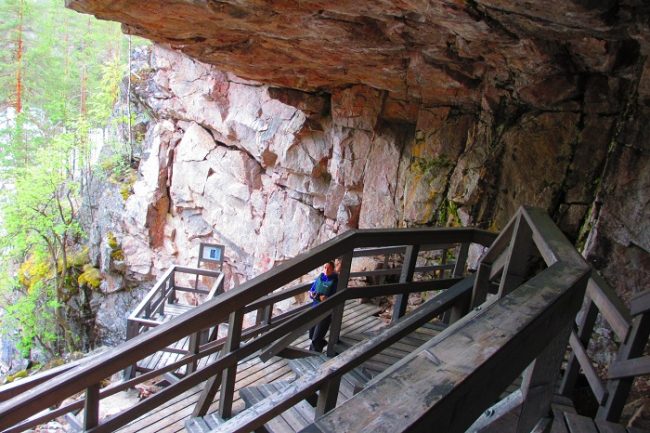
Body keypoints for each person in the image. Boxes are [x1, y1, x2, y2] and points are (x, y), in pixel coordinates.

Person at [308, 261, 339, 352]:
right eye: (325, 267)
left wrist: (325, 298)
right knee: (312, 333)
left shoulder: (335, 281)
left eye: (329, 268)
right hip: (315, 308)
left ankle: (313, 354)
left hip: (325, 311)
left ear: (333, 269)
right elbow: (311, 291)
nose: (326, 270)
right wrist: (315, 295)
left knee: (317, 335)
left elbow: (334, 297)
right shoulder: (320, 278)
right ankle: (321, 343)